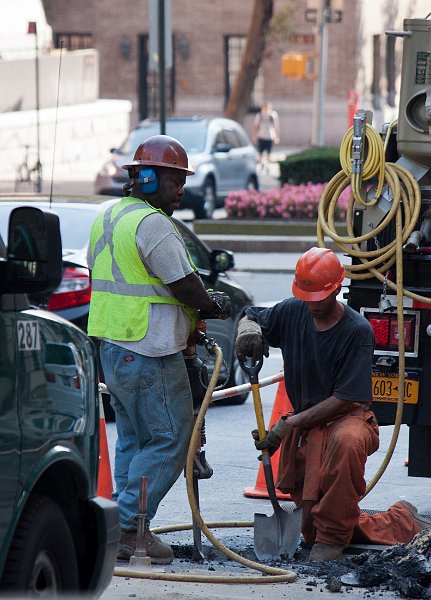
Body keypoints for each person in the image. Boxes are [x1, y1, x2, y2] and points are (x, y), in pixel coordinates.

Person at [235, 247, 431, 563]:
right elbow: (252, 314)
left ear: (337, 288)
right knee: (310, 530)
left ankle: (334, 539)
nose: (312, 304)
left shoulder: (356, 331)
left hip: (347, 416)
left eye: (319, 297)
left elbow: (345, 397)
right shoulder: (292, 311)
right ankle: (400, 520)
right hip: (308, 421)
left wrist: (291, 424)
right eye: (306, 296)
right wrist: (248, 328)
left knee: (347, 441)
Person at [87, 135, 230, 564]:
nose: (181, 189)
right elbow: (183, 282)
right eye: (173, 180)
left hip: (115, 347)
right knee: (171, 437)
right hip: (149, 349)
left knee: (134, 438)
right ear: (146, 178)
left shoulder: (109, 216)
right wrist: (212, 305)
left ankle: (116, 528)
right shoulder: (152, 224)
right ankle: (131, 529)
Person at [252, 101, 280, 170]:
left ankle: (267, 166)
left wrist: (277, 136)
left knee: (269, 153)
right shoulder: (259, 115)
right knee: (260, 152)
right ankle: (262, 165)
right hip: (261, 136)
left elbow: (276, 127)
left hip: (270, 136)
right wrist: (254, 135)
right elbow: (256, 126)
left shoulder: (273, 115)